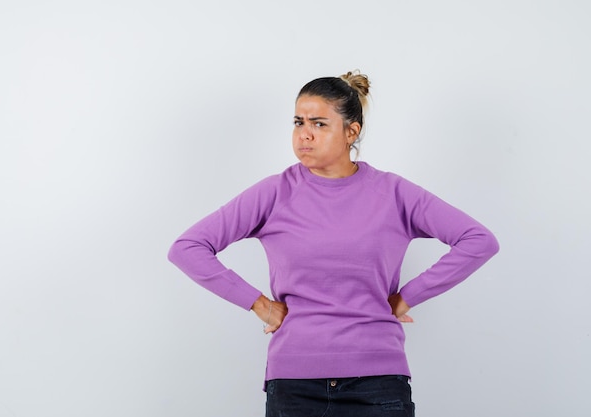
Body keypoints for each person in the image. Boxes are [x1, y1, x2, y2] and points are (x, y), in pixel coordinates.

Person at [168, 70, 499, 417]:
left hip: (377, 382)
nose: (304, 135)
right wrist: (259, 304)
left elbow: (477, 240)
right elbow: (188, 247)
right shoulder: (274, 193)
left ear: (351, 132)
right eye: (298, 122)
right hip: (295, 384)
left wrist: (407, 298)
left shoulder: (393, 193)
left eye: (319, 124)